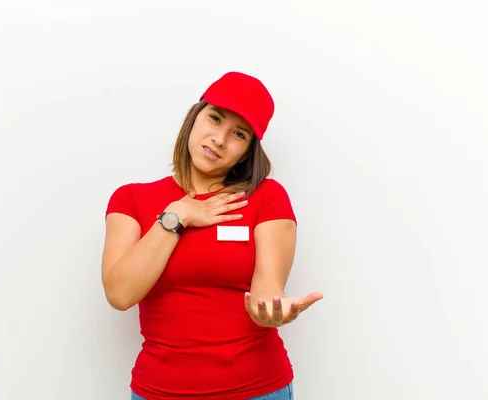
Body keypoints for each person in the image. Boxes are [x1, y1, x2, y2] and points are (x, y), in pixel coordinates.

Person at [102, 71, 323, 400]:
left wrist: (272, 310)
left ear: (248, 150)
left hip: (256, 389)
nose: (219, 139)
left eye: (238, 134)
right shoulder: (132, 200)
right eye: (214, 118)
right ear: (195, 116)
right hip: (160, 391)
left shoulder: (267, 198)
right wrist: (178, 215)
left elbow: (267, 288)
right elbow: (120, 294)